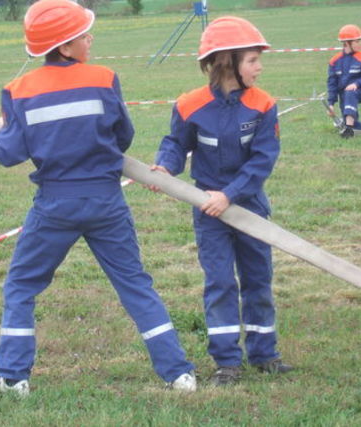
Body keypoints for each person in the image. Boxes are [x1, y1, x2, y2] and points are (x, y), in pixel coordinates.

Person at [0, 0, 196, 396]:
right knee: (135, 284)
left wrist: (3, 128)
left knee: (21, 286)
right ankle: (178, 373)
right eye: (83, 34)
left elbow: (7, 154)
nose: (90, 38)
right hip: (106, 200)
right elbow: (123, 137)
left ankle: (13, 377)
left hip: (55, 205)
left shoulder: (18, 91)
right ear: (65, 47)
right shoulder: (104, 78)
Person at [150, 16, 292, 386]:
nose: (260, 68)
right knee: (220, 283)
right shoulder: (189, 105)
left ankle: (265, 354)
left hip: (249, 208)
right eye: (253, 60)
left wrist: (229, 194)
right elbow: (177, 144)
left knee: (258, 279)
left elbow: (262, 161)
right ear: (227, 62)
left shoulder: (263, 105)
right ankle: (226, 361)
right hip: (209, 214)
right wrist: (165, 168)